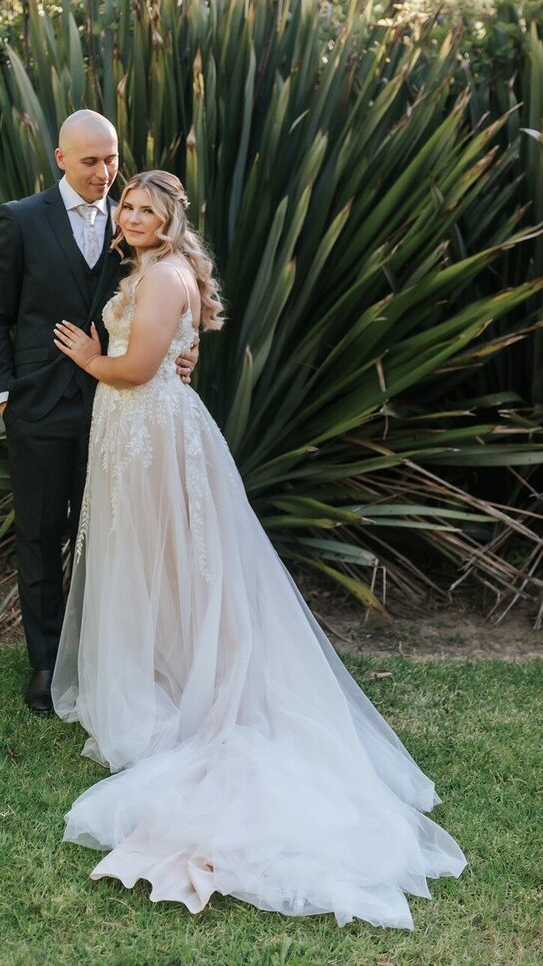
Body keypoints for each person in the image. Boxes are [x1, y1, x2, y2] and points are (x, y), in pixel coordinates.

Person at [50, 169, 467, 927]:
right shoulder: (154, 270)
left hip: (150, 435)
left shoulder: (163, 274)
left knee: (167, 564)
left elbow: (140, 367)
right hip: (137, 432)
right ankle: (167, 666)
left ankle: (187, 684)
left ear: (172, 218)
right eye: (130, 207)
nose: (135, 216)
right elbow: (178, 355)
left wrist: (86, 355)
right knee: (158, 566)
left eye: (149, 209)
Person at [0, 112, 197, 713]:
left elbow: (170, 297)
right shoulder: (20, 220)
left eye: (111, 160)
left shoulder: (136, 227)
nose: (104, 173)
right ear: (60, 159)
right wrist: (4, 395)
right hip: (39, 409)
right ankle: (47, 664)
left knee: (110, 536)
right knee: (42, 536)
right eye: (90, 161)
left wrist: (186, 347)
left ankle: (103, 657)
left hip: (118, 409)